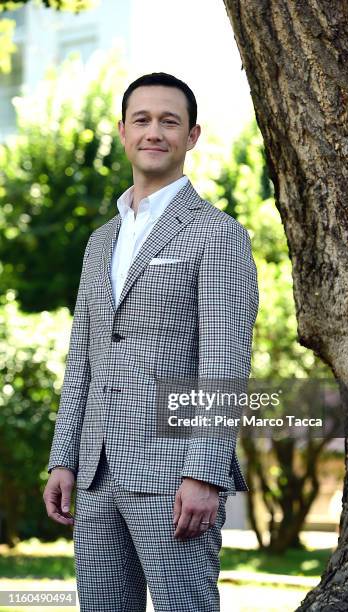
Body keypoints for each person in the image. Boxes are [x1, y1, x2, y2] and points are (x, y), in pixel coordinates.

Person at [43, 72, 258, 612]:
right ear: (123, 132)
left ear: (192, 136)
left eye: (170, 121)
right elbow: (83, 359)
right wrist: (63, 459)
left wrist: (205, 472)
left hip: (174, 477)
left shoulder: (217, 234)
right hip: (94, 473)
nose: (154, 132)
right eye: (142, 120)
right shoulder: (100, 242)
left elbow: (224, 361)